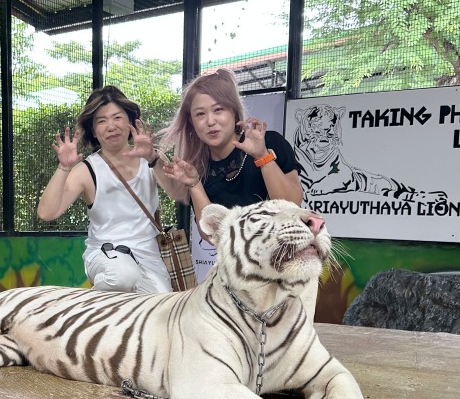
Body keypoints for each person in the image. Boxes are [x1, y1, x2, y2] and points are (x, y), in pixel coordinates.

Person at [37, 85, 182, 293]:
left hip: (149, 257)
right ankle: (85, 311)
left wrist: (152, 157)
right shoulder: (87, 170)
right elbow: (46, 213)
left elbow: (176, 192)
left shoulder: (151, 158)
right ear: (94, 131)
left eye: (117, 117)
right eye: (101, 121)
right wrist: (64, 168)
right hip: (106, 256)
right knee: (123, 275)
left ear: (131, 121)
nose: (111, 126)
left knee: (162, 308)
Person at [160, 68, 304, 240]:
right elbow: (211, 234)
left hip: (283, 256)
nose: (210, 121)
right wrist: (194, 184)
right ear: (191, 121)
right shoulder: (198, 167)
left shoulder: (270, 142)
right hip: (240, 262)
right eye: (200, 114)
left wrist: (262, 156)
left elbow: (292, 204)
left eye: (218, 110)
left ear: (233, 111)